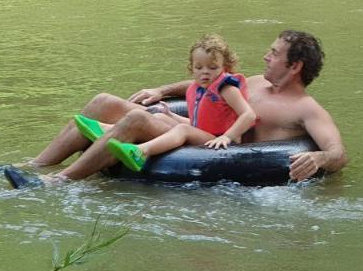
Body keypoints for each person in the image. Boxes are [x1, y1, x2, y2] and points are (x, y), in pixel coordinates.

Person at [10, 30, 346, 185]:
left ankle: (57, 181)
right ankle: (36, 164)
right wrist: (160, 90)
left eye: (274, 53)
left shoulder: (307, 108)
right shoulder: (257, 82)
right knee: (103, 102)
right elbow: (203, 86)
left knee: (138, 119)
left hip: (216, 148)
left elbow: (338, 153)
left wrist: (318, 158)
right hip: (200, 131)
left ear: (295, 65)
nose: (266, 56)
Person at [82, 34, 257, 171]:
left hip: (224, 144)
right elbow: (201, 124)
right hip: (206, 134)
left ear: (224, 67)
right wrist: (171, 115)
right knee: (159, 115)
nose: (205, 73)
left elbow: (248, 115)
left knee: (182, 129)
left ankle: (141, 151)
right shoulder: (196, 90)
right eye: (199, 67)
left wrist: (227, 137)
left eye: (213, 68)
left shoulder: (226, 89)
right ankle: (109, 130)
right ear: (191, 67)